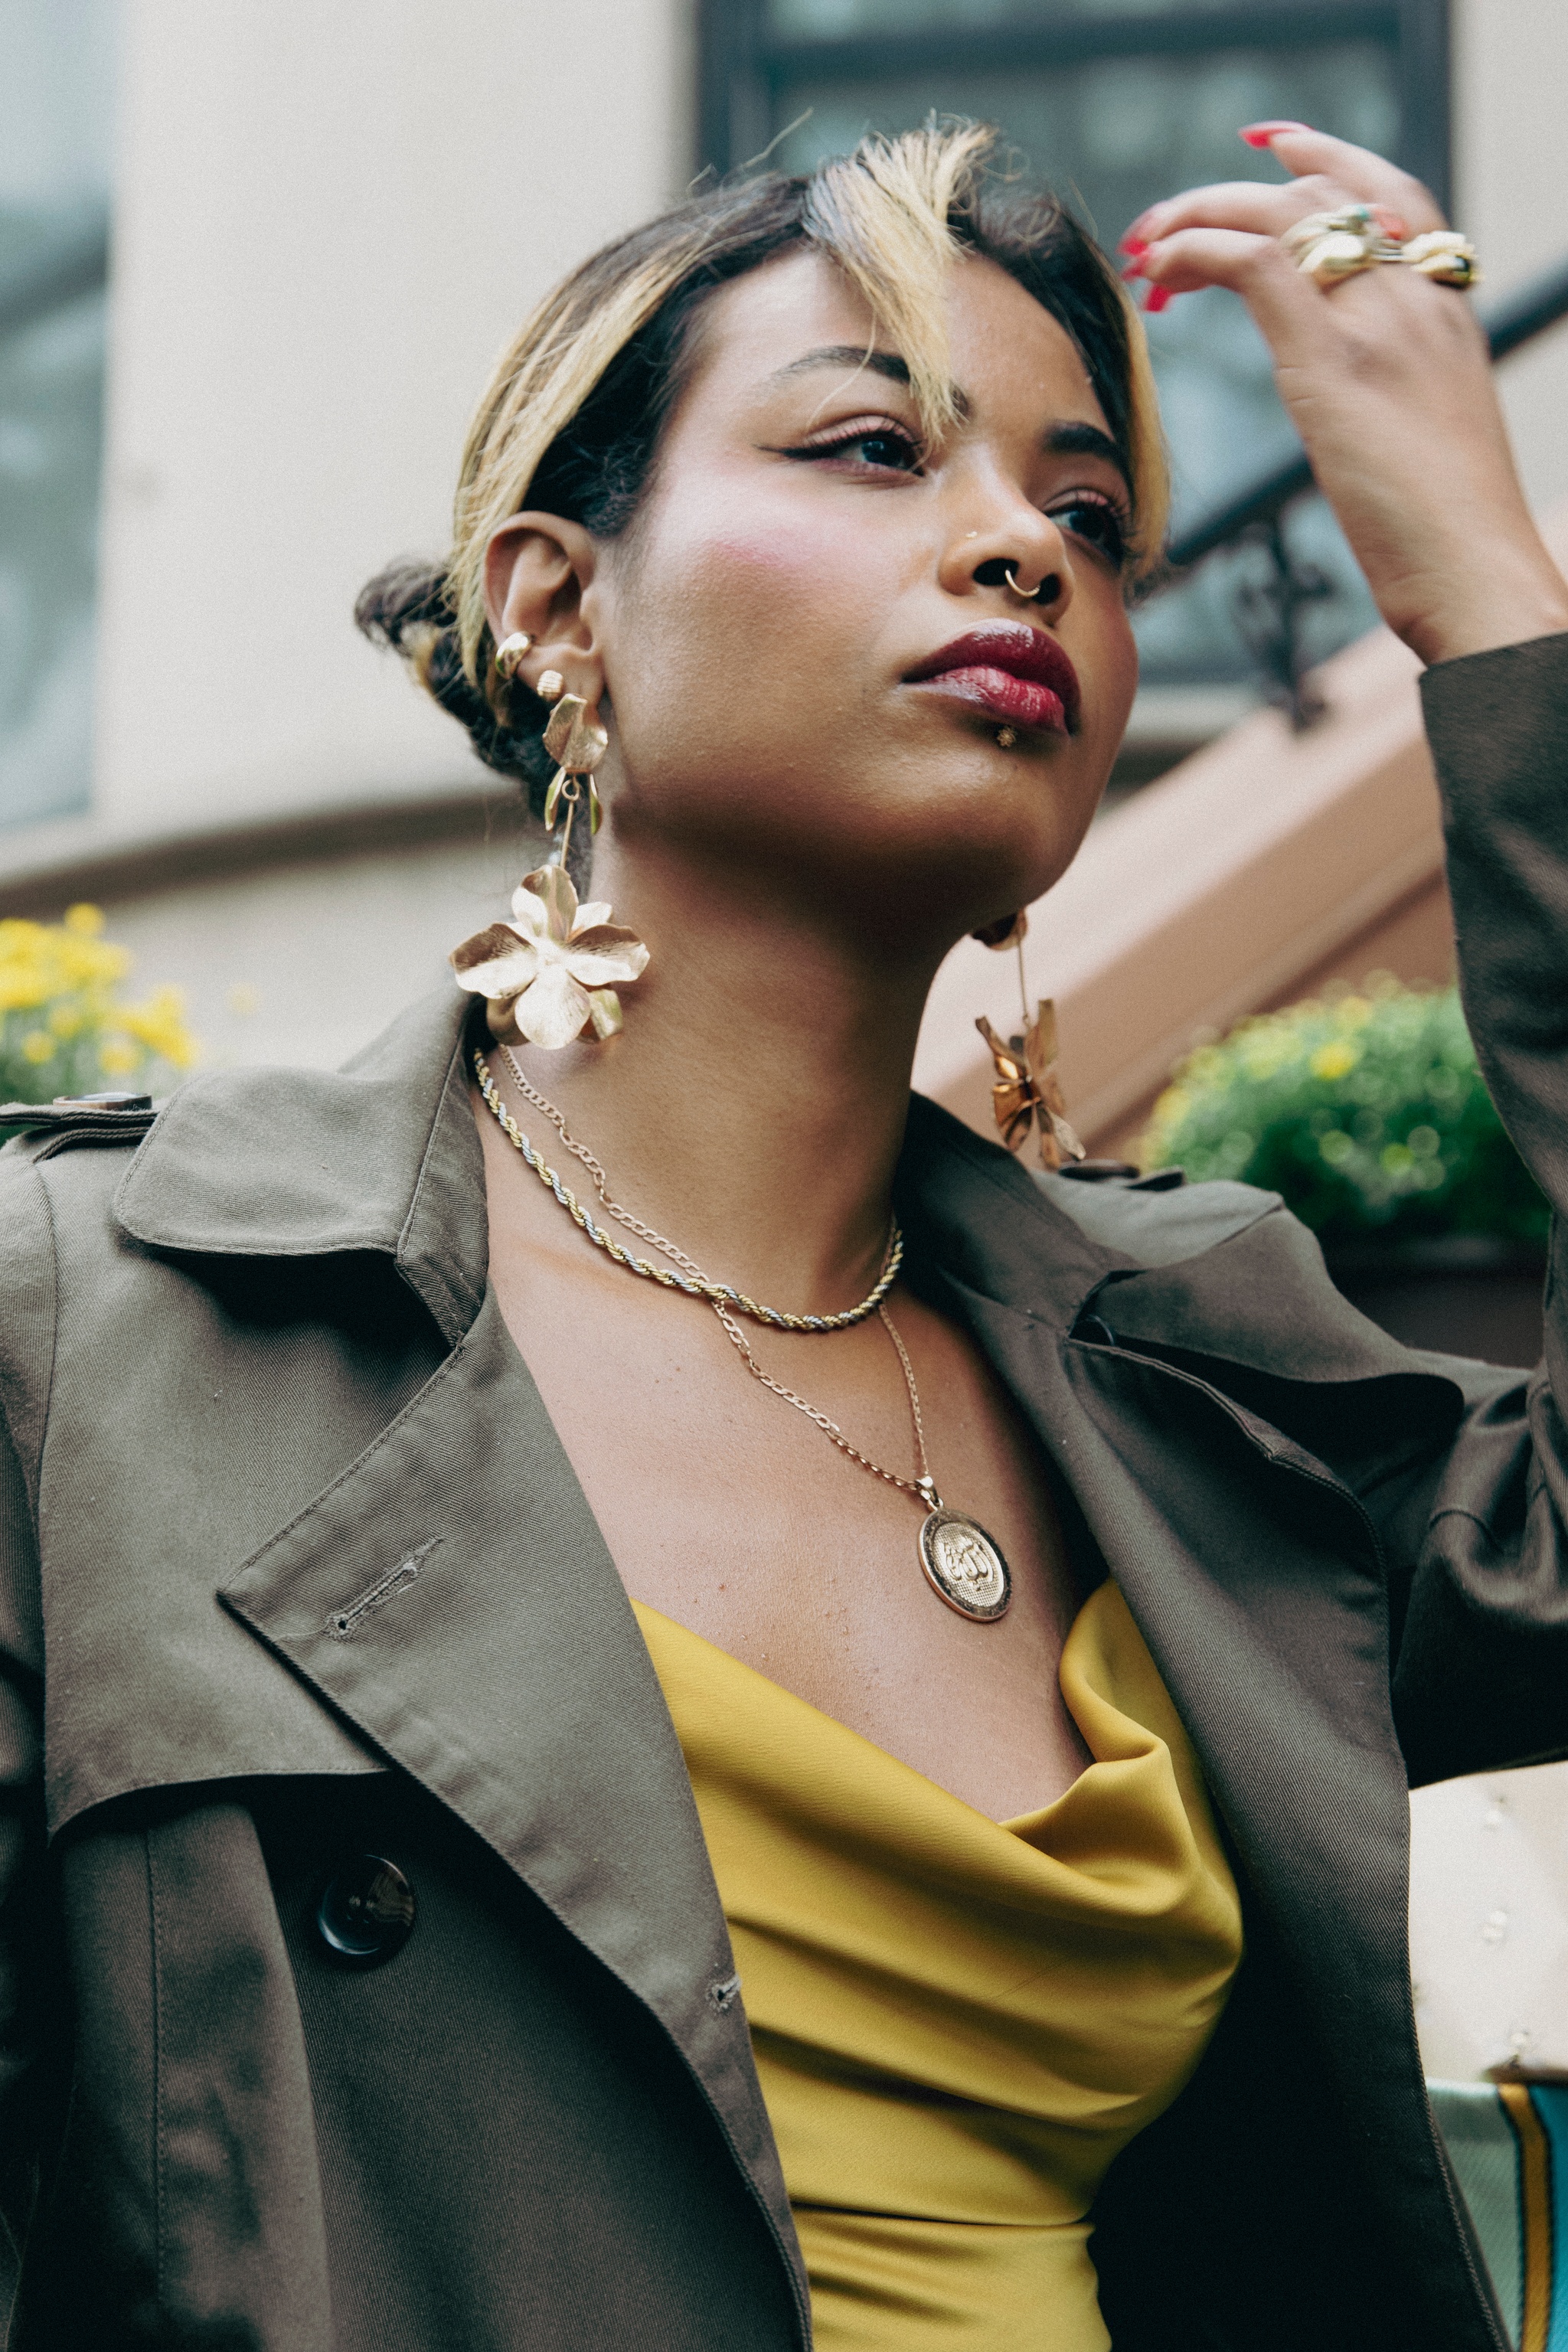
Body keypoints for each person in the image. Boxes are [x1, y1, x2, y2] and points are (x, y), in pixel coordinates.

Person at [0, 116, 1562, 2352]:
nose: (1021, 542)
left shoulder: (1205, 1376)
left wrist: (1492, 607)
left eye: (1094, 514)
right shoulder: (97, 1321)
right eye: (869, 446)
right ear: (556, 604)